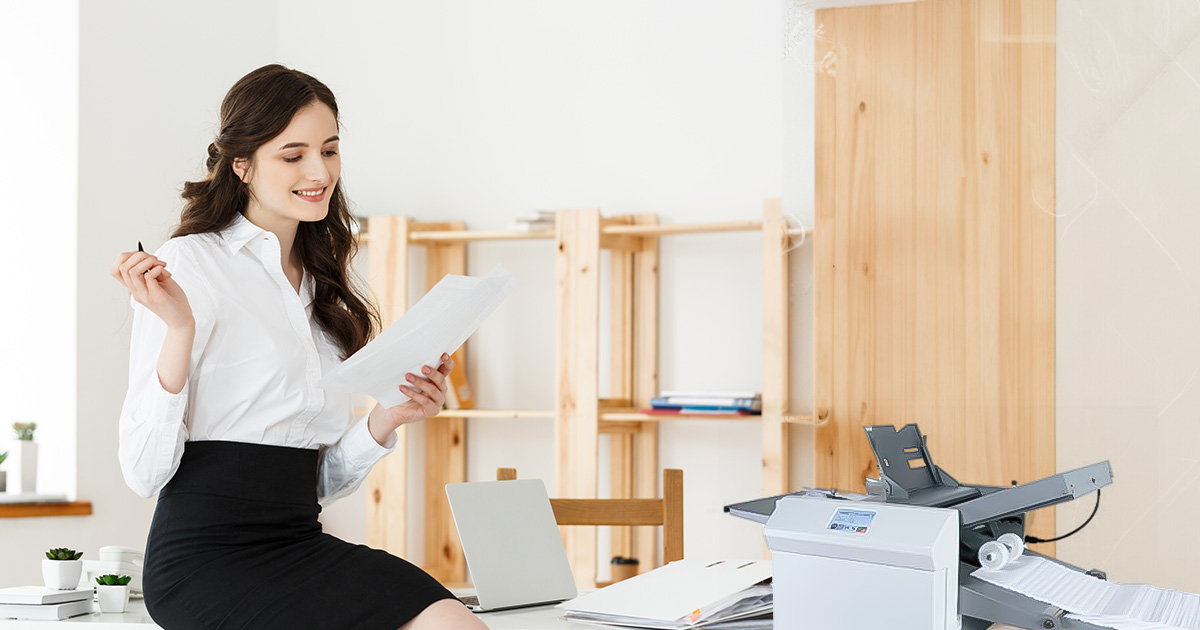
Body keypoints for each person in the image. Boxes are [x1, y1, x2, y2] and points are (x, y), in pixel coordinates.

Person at [110, 64, 489, 630]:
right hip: (202, 562)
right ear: (242, 164)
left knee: (453, 621)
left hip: (299, 542)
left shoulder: (322, 282)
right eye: (293, 155)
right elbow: (142, 473)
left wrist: (388, 419)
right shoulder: (191, 263)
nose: (319, 171)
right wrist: (179, 332)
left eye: (330, 150)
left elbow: (314, 481)